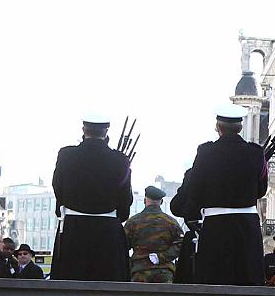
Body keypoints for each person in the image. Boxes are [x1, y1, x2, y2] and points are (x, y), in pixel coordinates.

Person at [173, 104, 267, 285]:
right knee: (247, 275)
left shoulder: (206, 152)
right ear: (240, 127)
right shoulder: (256, 153)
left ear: (218, 128)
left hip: (216, 225)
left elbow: (195, 188)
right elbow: (261, 190)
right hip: (247, 225)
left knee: (215, 275)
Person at [49, 114, 132, 282]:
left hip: (73, 228)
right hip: (107, 229)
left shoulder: (66, 155)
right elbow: (125, 197)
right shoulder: (120, 160)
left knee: (70, 280)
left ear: (83, 130)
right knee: (107, 282)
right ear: (106, 131)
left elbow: (58, 186)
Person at [123, 186, 183, 284]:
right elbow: (181, 244)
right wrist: (162, 257)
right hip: (164, 271)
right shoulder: (171, 222)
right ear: (162, 202)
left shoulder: (133, 222)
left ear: (144, 201)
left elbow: (123, 245)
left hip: (140, 271)